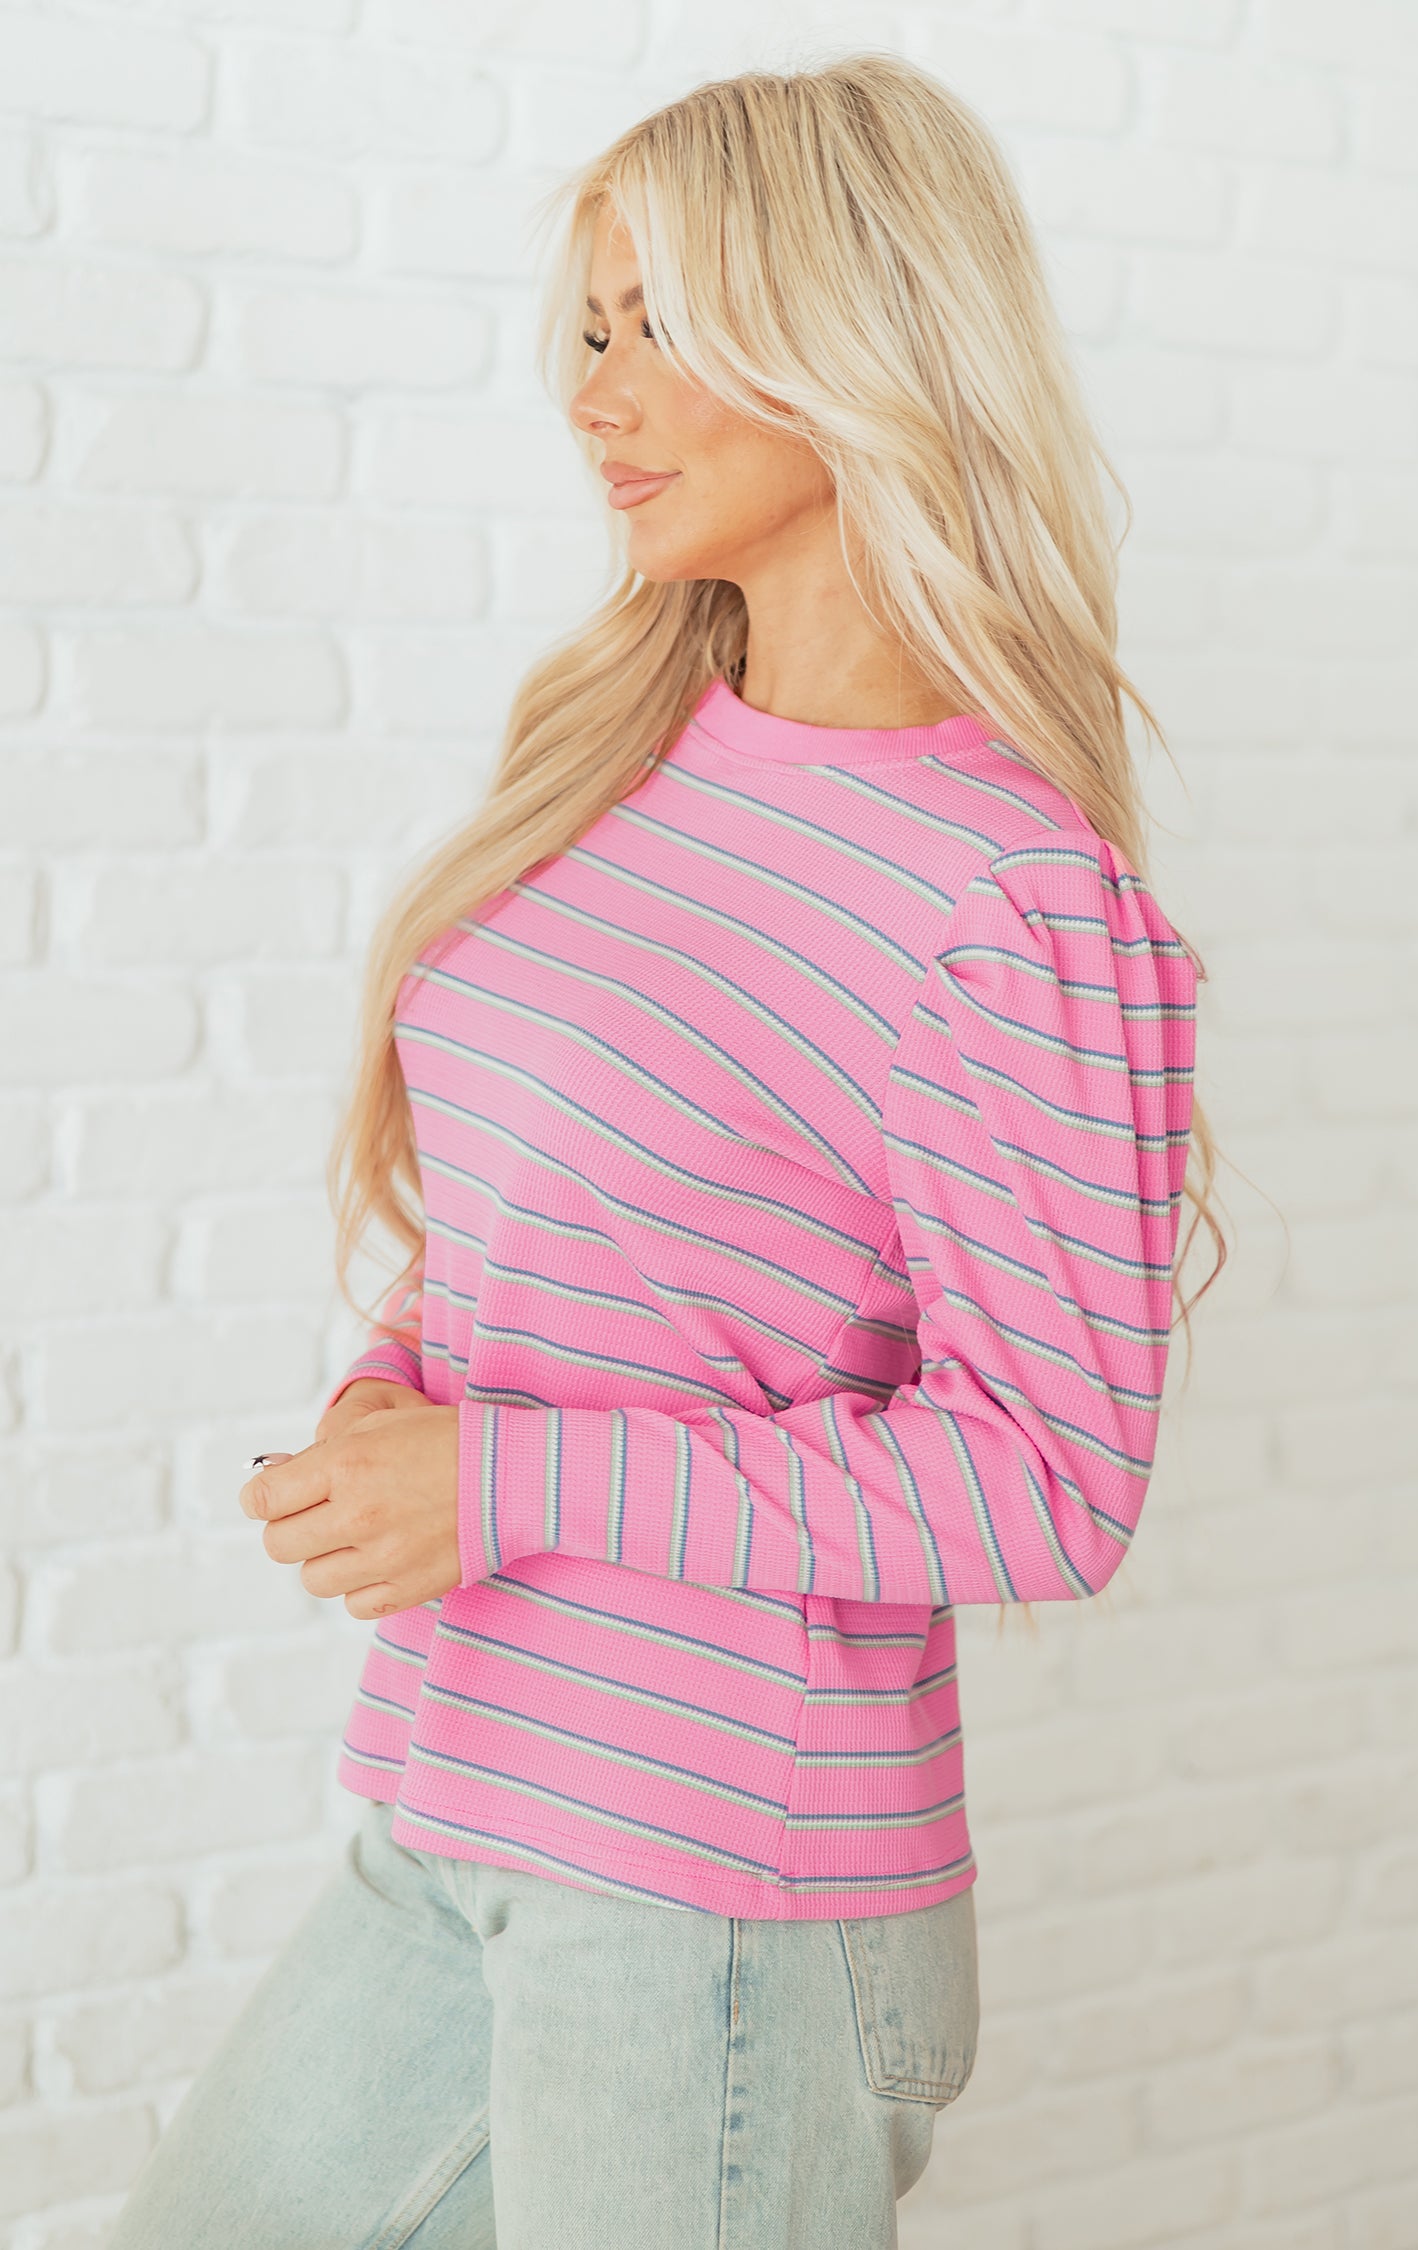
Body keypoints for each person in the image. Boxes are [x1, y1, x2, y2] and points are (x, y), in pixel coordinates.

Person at [108, 51, 1224, 2250]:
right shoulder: (622, 756)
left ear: (856, 340)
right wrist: (400, 1387)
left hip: (726, 1897)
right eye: (594, 328)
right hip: (461, 1793)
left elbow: (1052, 1482)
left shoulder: (1007, 896)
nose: (595, 394)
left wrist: (506, 1484)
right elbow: (556, 1224)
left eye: (663, 329)